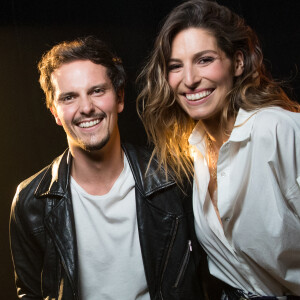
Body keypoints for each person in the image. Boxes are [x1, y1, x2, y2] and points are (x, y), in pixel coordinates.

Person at [9, 36, 204, 300]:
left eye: (97, 91)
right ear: (55, 111)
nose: (86, 108)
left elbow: (205, 275)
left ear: (119, 98)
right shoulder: (31, 201)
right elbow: (30, 293)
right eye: (69, 97)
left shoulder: (173, 178)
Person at [137, 0, 300, 299]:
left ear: (237, 62)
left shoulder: (279, 130)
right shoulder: (193, 151)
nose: (189, 80)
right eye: (175, 66)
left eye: (204, 60)